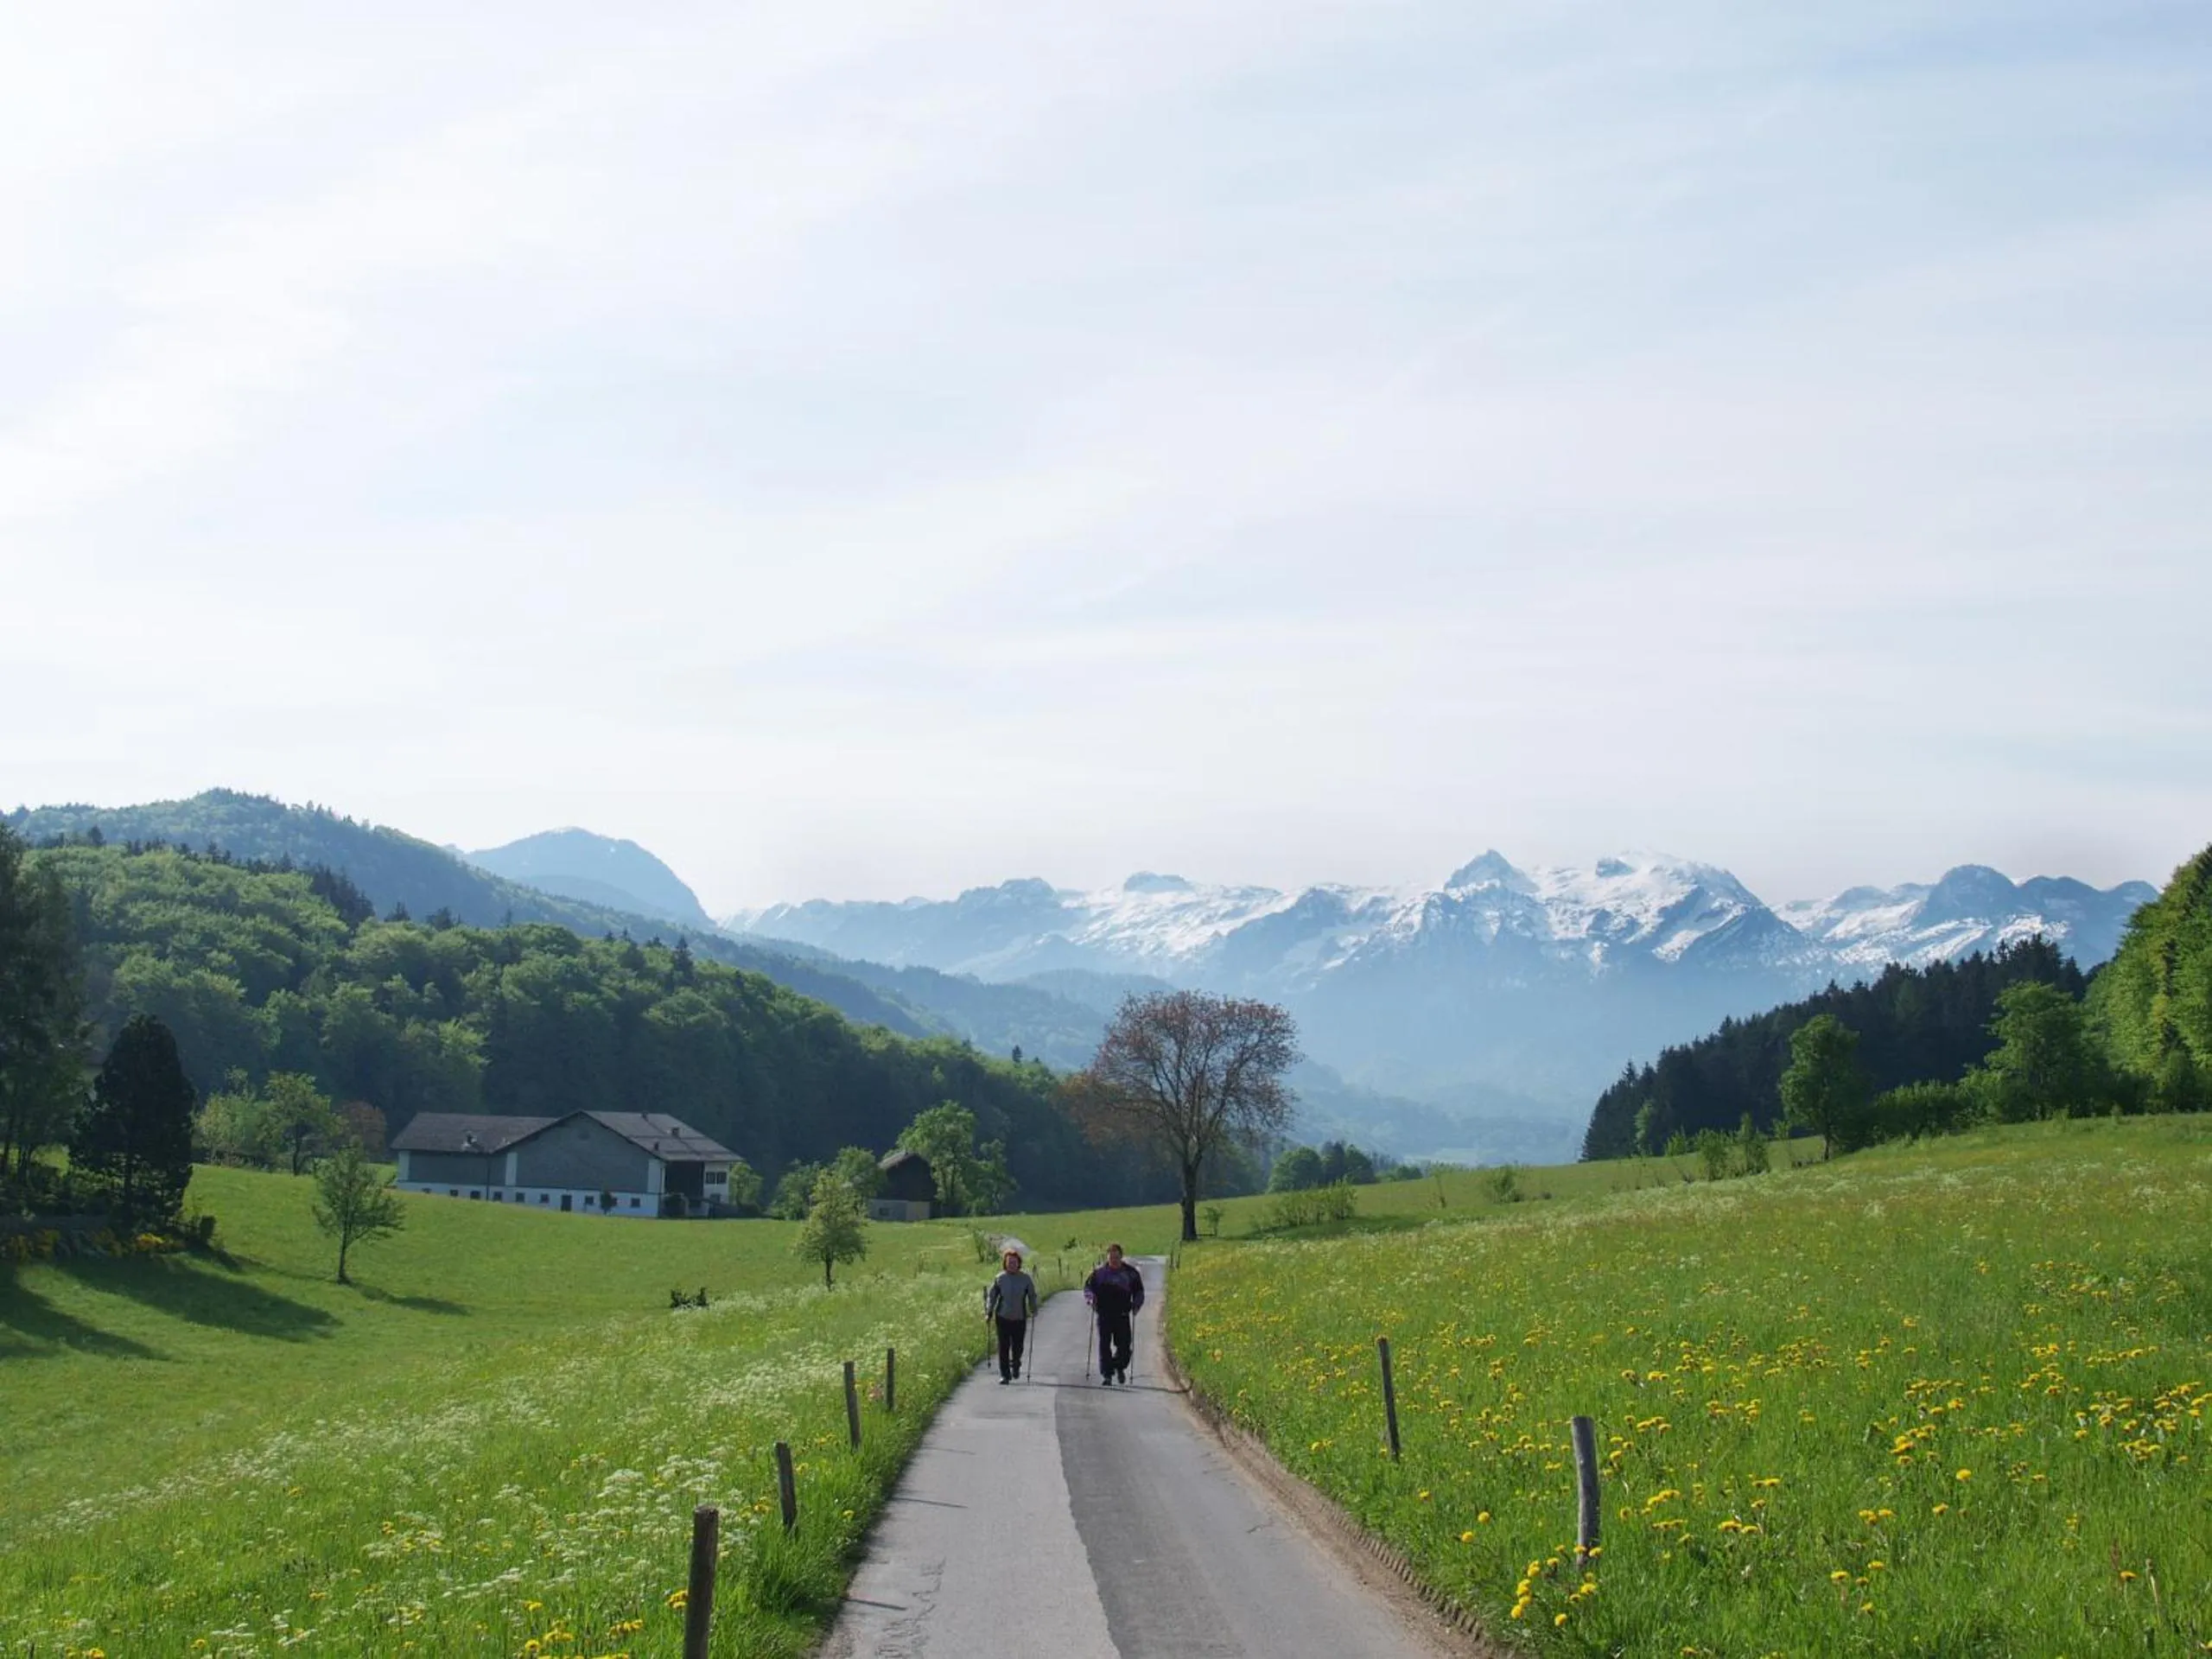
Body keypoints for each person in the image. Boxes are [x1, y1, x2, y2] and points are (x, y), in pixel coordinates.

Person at [1084, 1242, 1144, 1384]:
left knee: (1124, 1347)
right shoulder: (1099, 1274)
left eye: (1116, 1258)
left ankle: (1118, 1366)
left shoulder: (1130, 1273)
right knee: (1104, 1345)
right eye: (1111, 1258)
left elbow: (1139, 1291)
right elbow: (1088, 1288)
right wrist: (1091, 1299)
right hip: (1104, 1314)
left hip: (1122, 1314)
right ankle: (1107, 1375)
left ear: (1121, 1257)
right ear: (1107, 1257)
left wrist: (1137, 1304)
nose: (1113, 1261)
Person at [985, 1248, 1039, 1383]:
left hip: (1019, 1318)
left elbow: (1032, 1295)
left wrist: (1033, 1308)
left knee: (1018, 1347)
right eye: (1009, 1262)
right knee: (1003, 1346)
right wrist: (989, 1312)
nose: (1012, 1265)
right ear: (1005, 1263)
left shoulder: (1025, 1279)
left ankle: (1015, 1364)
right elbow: (992, 1296)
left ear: (1019, 1263)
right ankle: (1005, 1375)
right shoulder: (1000, 1278)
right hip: (1002, 1317)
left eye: (1014, 1262)